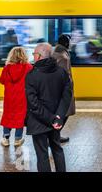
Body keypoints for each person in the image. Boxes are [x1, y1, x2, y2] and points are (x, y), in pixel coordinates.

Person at [25, 43, 72, 172]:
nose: (33, 57)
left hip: (38, 121)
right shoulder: (62, 72)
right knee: (57, 149)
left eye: (34, 54)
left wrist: (51, 119)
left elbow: (33, 104)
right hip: (56, 121)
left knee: (42, 155)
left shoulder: (32, 75)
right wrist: (58, 117)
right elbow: (67, 96)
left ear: (39, 56)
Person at [0, 47, 32, 147]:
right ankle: (17, 139)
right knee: (20, 116)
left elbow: (1, 81)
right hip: (22, 97)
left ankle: (6, 138)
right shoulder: (28, 67)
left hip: (9, 97)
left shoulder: (7, 68)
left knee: (8, 115)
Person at [52, 34, 76, 144]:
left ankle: (55, 135)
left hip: (56, 90)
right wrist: (69, 88)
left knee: (61, 113)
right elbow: (65, 75)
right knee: (64, 113)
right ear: (66, 43)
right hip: (63, 90)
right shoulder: (63, 56)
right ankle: (54, 136)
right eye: (70, 42)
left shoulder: (56, 52)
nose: (71, 44)